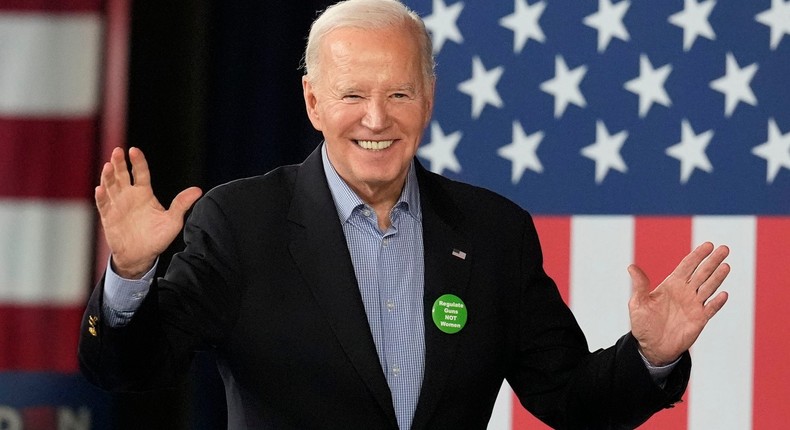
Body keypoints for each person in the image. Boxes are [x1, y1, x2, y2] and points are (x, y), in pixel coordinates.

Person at [78, 0, 730, 428]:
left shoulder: (493, 233)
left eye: (398, 92)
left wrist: (650, 356)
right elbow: (131, 369)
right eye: (352, 94)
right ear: (311, 101)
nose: (375, 118)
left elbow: (572, 398)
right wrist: (132, 276)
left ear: (428, 97)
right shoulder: (240, 222)